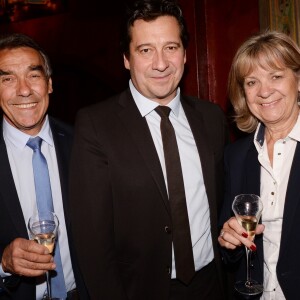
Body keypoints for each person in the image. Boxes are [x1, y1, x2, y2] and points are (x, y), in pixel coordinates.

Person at [69, 0, 229, 299]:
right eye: (145, 50)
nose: (160, 63)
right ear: (127, 59)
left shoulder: (211, 118)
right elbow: (92, 243)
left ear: (184, 54)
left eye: (170, 47)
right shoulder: (95, 126)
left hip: (211, 285)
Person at [0, 33, 87, 299]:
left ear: (49, 84)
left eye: (34, 75)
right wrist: (3, 264)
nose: (24, 90)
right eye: (7, 79)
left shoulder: (84, 145)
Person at [218, 30, 300, 299]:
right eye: (252, 82)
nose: (264, 91)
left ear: (298, 80)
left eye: (276, 76)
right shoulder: (236, 157)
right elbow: (229, 254)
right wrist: (228, 239)